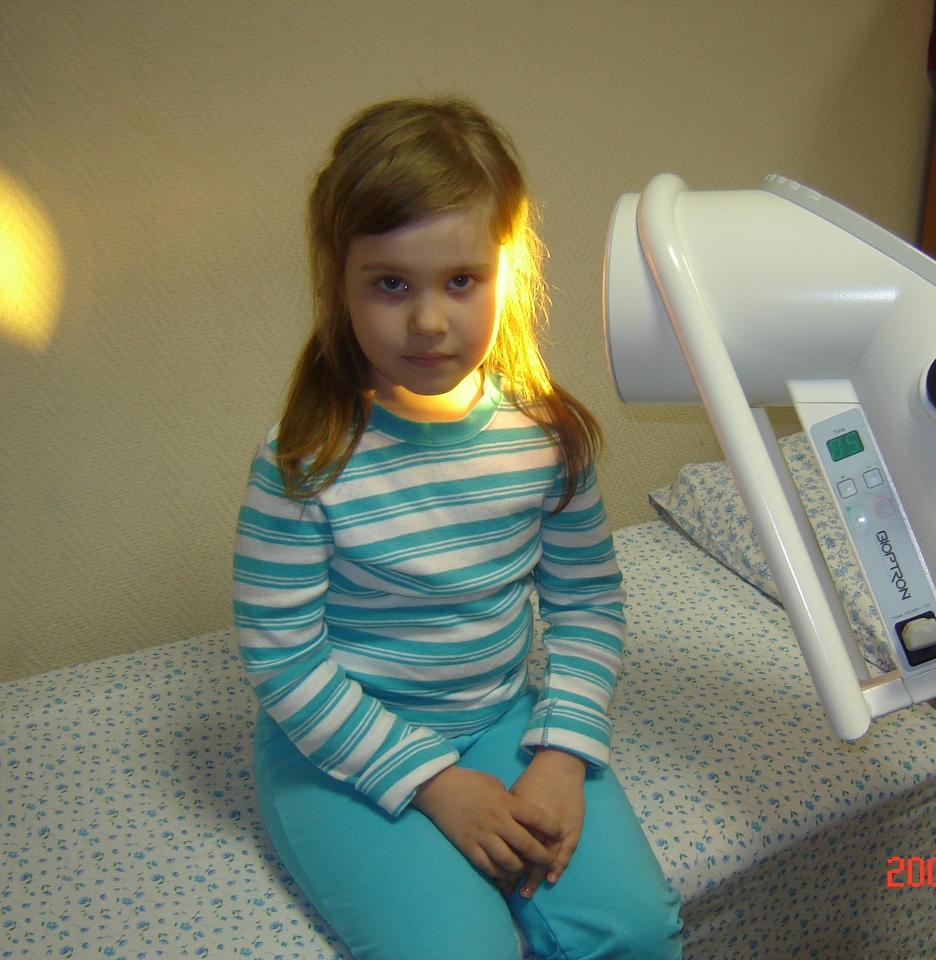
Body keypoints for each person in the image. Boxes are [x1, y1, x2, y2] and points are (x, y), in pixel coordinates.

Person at [232, 96, 683, 960]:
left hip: (499, 719)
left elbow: (587, 605)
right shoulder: (306, 460)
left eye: (461, 281)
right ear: (337, 284)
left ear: (507, 269)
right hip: (337, 746)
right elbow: (284, 658)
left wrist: (559, 755)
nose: (430, 320)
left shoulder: (545, 438)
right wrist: (436, 783)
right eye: (391, 283)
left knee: (637, 931)